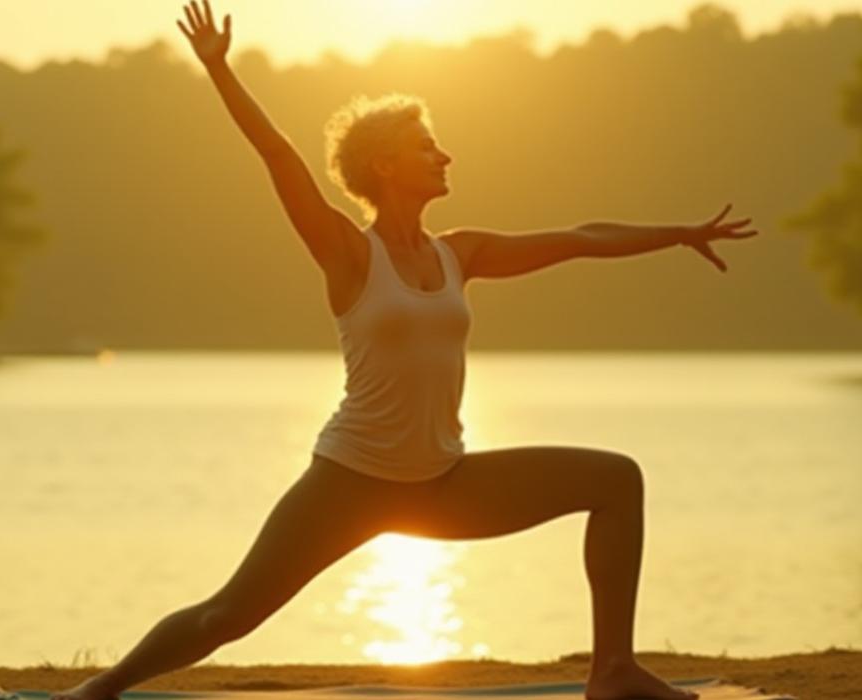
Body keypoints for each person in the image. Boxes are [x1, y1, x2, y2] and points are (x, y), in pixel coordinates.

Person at [50, 3, 758, 700]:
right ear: (385, 164)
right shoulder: (348, 254)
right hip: (349, 482)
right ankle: (100, 690)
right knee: (227, 616)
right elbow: (277, 155)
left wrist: (678, 232)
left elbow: (577, 238)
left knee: (615, 480)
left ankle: (612, 672)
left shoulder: (461, 254)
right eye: (427, 145)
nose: (444, 154)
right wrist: (219, 70)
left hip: (443, 484)